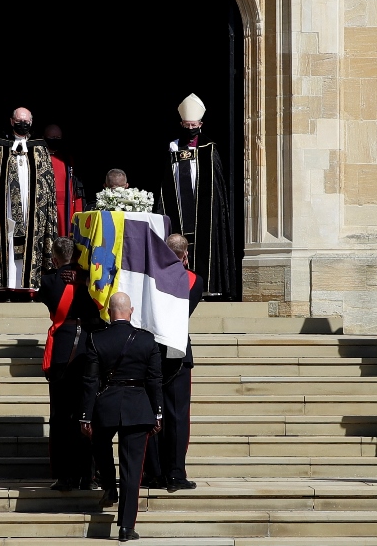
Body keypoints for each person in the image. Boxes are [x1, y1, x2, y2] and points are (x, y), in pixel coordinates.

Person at [80, 291, 163, 542]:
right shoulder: (147, 340)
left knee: (101, 448)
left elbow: (90, 380)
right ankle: (126, 526)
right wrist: (158, 412)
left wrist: (85, 415)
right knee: (132, 469)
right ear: (131, 311)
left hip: (105, 405)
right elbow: (154, 380)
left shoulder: (96, 339)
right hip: (138, 406)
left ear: (109, 312)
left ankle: (108, 486)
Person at [37, 236, 103, 491]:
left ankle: (65, 476)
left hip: (63, 351)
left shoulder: (49, 281)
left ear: (55, 259)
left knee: (61, 416)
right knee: (88, 414)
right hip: (89, 349)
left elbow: (46, 296)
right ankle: (89, 476)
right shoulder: (92, 282)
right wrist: (84, 276)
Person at [157, 93, 235, 299]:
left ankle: (207, 286)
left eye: (194, 125)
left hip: (202, 205)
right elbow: (167, 180)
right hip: (180, 204)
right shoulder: (173, 147)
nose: (190, 129)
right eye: (187, 125)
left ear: (201, 123)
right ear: (181, 123)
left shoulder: (209, 148)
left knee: (204, 241)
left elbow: (215, 183)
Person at [143, 233, 204, 491]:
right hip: (177, 350)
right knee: (177, 415)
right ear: (185, 255)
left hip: (152, 351)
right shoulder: (194, 280)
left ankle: (153, 472)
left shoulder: (149, 279)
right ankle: (175, 473)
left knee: (152, 412)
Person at [0, 107, 57, 295]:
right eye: (19, 120)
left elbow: (47, 182)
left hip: (32, 208)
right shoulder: (0, 146)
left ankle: (30, 284)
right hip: (5, 208)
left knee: (31, 240)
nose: (23, 124)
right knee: (8, 239)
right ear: (12, 121)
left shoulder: (39, 147)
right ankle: (6, 284)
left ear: (31, 122)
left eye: (26, 121)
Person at [43, 124, 85, 237]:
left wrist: (78, 209)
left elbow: (76, 185)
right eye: (52, 138)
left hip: (66, 208)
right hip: (45, 205)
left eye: (58, 138)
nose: (55, 141)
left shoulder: (67, 158)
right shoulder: (39, 157)